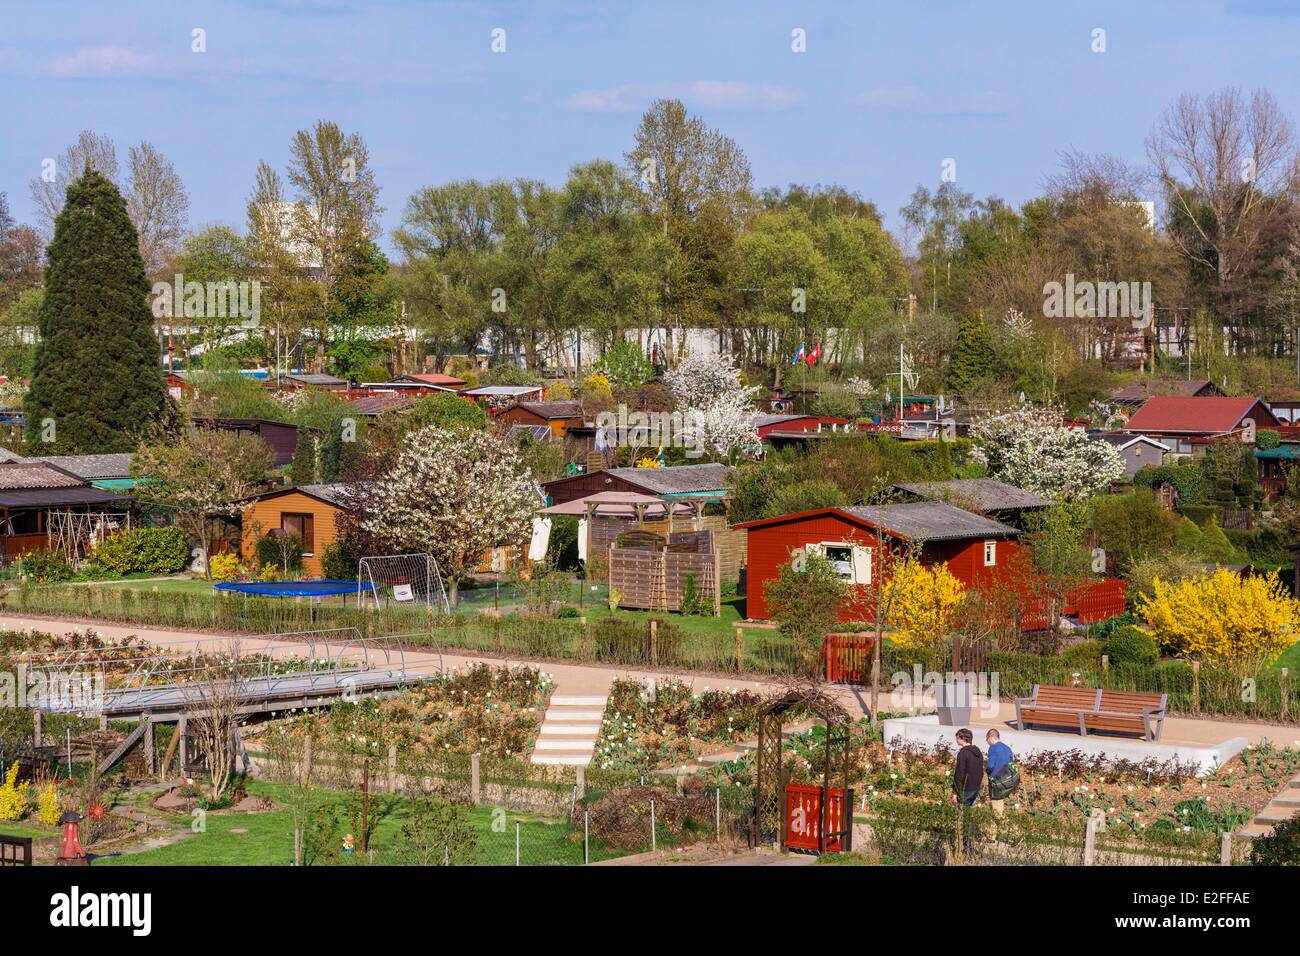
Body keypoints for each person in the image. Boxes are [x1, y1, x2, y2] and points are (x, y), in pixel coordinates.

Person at [985, 729, 1017, 815]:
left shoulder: (993, 748)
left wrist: (987, 770)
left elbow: (991, 766)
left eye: (987, 739)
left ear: (991, 737)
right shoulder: (1007, 748)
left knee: (996, 805)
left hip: (996, 780)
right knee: (1001, 802)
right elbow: (1011, 763)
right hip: (1007, 780)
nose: (987, 742)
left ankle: (998, 823)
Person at [951, 728, 983, 807]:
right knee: (970, 811)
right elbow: (981, 770)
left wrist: (955, 791)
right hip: (976, 786)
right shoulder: (978, 752)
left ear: (963, 739)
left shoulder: (963, 753)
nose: (956, 739)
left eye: (958, 738)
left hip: (966, 787)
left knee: (961, 812)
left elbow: (959, 773)